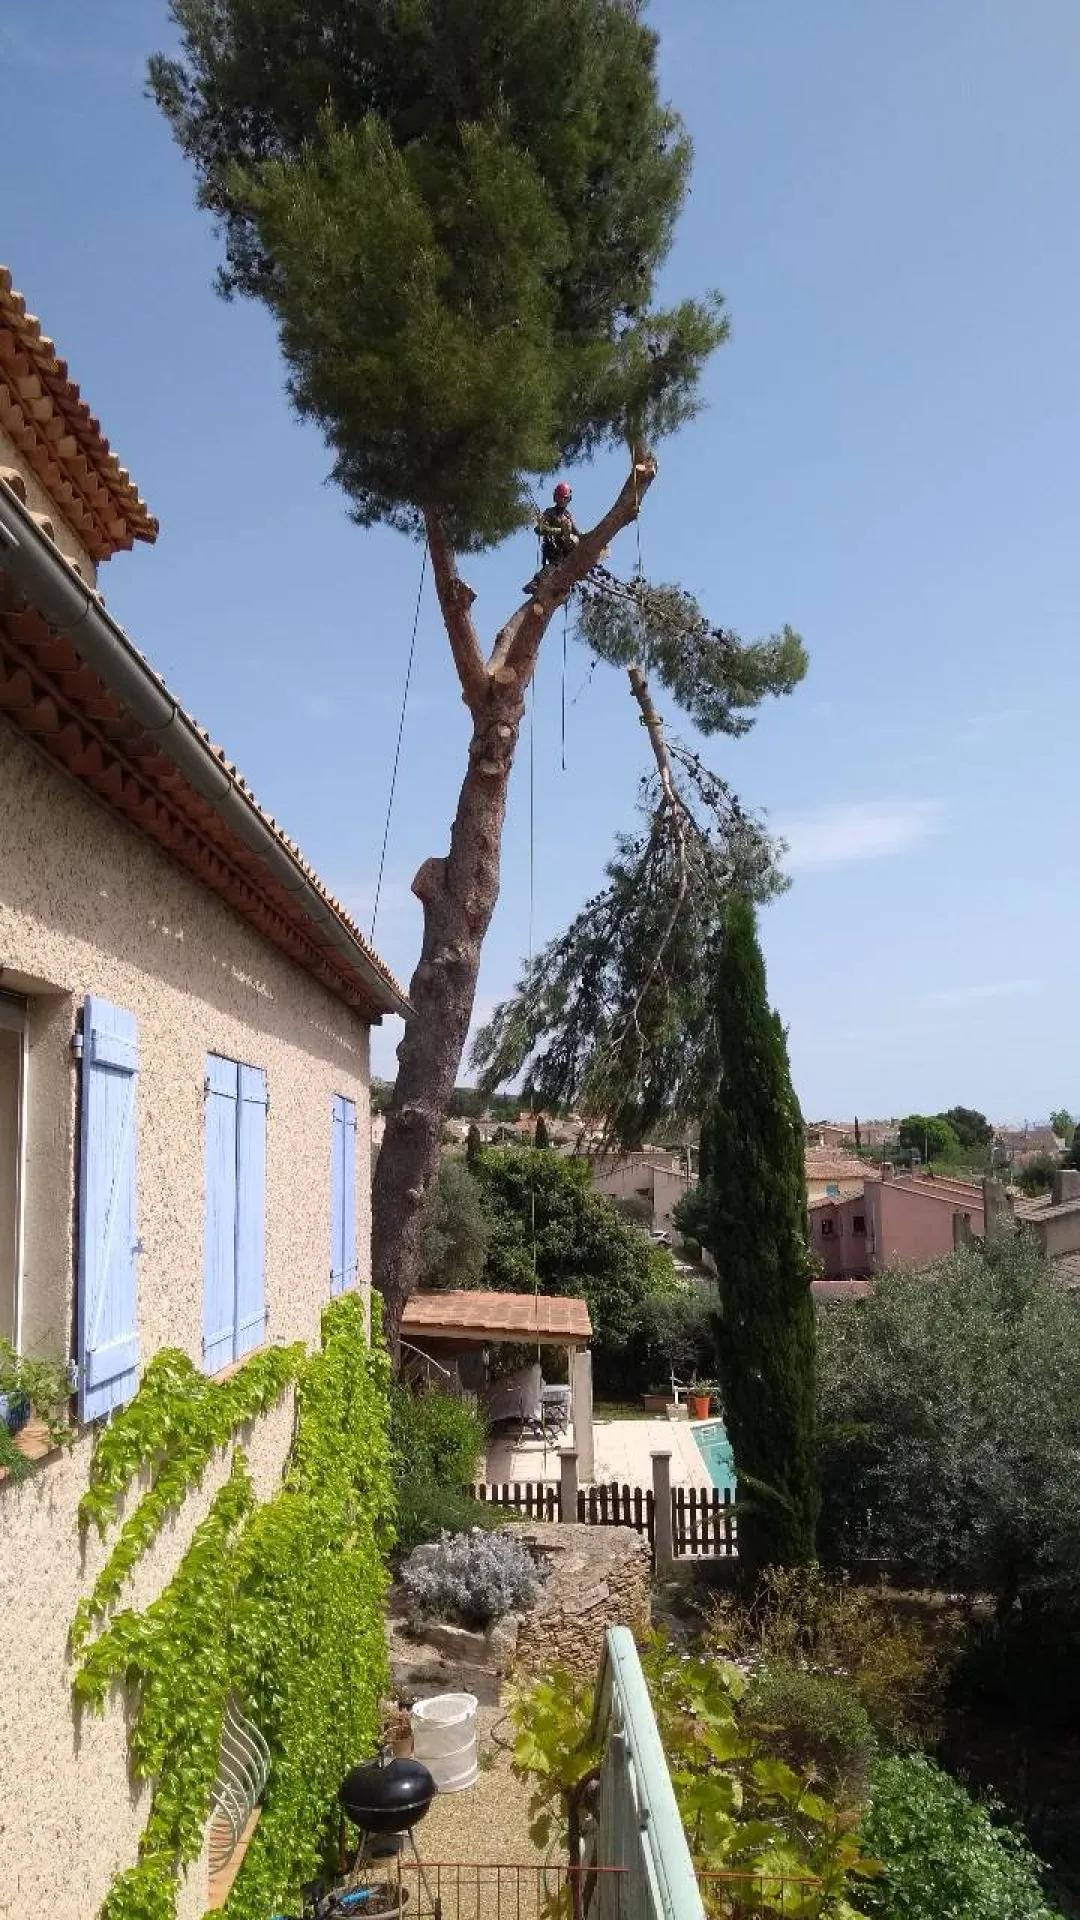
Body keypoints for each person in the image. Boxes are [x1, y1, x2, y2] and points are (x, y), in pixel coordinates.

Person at [523, 482, 580, 592]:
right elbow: (538, 529)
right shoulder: (550, 512)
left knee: (573, 545)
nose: (562, 500)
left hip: (565, 548)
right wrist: (558, 531)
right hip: (551, 546)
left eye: (564, 498)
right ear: (555, 497)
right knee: (557, 563)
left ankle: (552, 587)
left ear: (568, 499)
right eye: (560, 497)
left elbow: (577, 533)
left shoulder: (568, 516)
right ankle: (536, 582)